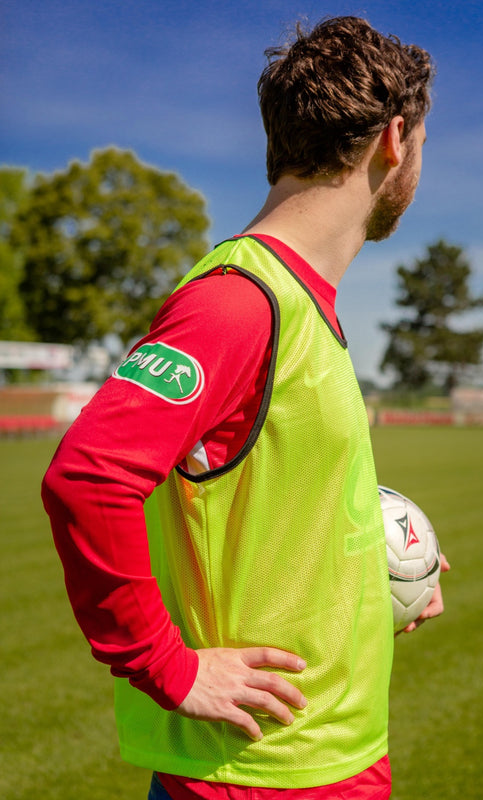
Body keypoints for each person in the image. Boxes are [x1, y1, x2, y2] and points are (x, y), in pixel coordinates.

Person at [42, 15, 448, 800]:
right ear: (394, 140)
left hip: (331, 754)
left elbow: (273, 506)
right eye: (424, 146)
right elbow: (87, 479)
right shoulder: (238, 302)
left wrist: (388, 576)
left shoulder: (301, 302)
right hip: (260, 773)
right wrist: (165, 665)